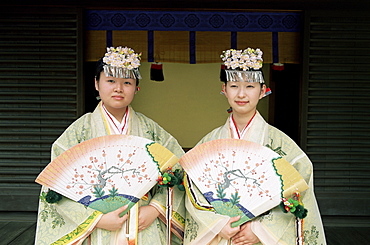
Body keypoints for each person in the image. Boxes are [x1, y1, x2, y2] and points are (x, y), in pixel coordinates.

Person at [35, 46, 185, 245]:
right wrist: (97, 219)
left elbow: (179, 170)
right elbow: (56, 185)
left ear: (137, 87)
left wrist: (156, 208)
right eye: (111, 81)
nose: (118, 88)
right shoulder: (80, 132)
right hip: (96, 228)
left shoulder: (151, 131)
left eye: (127, 82)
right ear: (96, 83)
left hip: (144, 224)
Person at [183, 48, 326, 244]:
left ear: (263, 91)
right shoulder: (209, 143)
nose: (241, 94)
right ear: (224, 90)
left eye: (250, 86)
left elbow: (299, 189)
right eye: (234, 85)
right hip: (221, 235)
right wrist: (217, 224)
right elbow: (193, 191)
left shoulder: (281, 145)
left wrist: (260, 229)